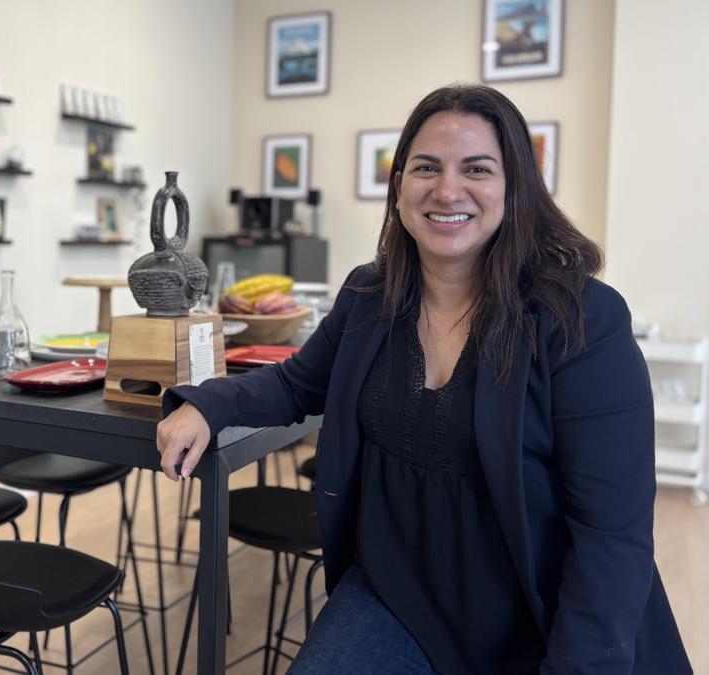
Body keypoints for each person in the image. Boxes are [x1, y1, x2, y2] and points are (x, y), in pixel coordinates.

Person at [155, 84, 691, 674]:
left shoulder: (580, 319)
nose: (447, 190)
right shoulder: (369, 295)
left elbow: (611, 537)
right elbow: (294, 385)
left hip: (537, 613)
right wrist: (207, 405)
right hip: (397, 596)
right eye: (426, 167)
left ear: (516, 187)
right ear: (399, 186)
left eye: (477, 169)